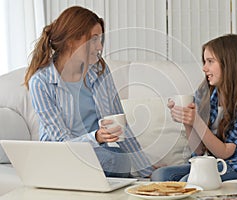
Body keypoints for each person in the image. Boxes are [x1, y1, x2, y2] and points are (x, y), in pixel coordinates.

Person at [24, 6, 153, 178]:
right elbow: (61, 143)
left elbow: (120, 125)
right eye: (93, 40)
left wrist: (147, 172)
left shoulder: (99, 71)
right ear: (72, 40)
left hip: (99, 157)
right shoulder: (41, 82)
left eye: (100, 39)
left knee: (119, 160)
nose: (100, 46)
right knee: (117, 162)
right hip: (63, 157)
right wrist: (97, 137)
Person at [151, 34, 237, 182]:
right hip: (208, 163)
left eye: (210, 61)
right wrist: (186, 120)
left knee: (189, 182)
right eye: (204, 61)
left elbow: (225, 152)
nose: (204, 68)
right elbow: (199, 150)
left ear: (230, 64)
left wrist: (196, 121)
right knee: (161, 175)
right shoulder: (205, 95)